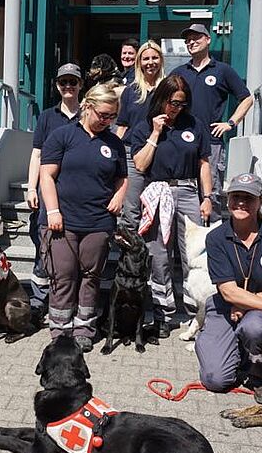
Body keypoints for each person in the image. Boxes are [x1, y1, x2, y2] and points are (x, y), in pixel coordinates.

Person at [194, 173, 262, 404]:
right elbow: (228, 293)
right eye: (236, 197)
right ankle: (223, 345)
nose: (241, 203)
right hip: (226, 307)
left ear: (260, 201)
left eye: (249, 198)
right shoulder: (216, 237)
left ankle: (261, 373)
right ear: (227, 200)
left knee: (254, 327)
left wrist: (254, 303)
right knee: (214, 380)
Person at [39, 83, 127, 353]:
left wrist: (119, 196)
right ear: (87, 106)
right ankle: (60, 330)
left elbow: (122, 177)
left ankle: (84, 328)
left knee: (91, 276)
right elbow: (47, 176)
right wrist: (53, 211)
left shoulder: (113, 142)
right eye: (102, 114)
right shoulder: (62, 135)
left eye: (112, 117)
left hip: (98, 222)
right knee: (63, 275)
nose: (107, 121)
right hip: (62, 221)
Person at [131, 76, 211, 338]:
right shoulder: (144, 126)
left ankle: (194, 316)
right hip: (158, 191)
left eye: (182, 103)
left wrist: (207, 197)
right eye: (172, 102)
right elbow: (141, 165)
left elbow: (203, 164)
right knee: (160, 256)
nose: (176, 108)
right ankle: (163, 315)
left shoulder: (194, 125)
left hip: (188, 191)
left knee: (193, 256)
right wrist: (155, 133)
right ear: (162, 99)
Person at [170, 23, 253, 222]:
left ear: (208, 39)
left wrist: (230, 123)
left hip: (211, 143)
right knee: (185, 193)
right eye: (188, 40)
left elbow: (247, 98)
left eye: (196, 38)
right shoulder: (180, 71)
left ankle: (212, 241)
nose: (191, 42)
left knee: (211, 195)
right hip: (182, 142)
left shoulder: (222, 71)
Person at [25, 63, 83, 317]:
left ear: (81, 85)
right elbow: (36, 153)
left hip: (76, 192)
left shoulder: (89, 114)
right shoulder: (47, 117)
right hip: (48, 189)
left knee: (73, 250)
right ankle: (39, 302)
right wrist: (31, 187)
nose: (68, 86)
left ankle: (70, 302)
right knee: (44, 246)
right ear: (57, 86)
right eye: (64, 82)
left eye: (73, 81)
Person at [116, 40, 164, 229]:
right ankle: (129, 257)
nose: (150, 62)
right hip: (131, 154)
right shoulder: (131, 91)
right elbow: (122, 125)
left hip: (160, 152)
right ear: (139, 62)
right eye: (146, 58)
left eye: (154, 57)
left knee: (156, 211)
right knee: (131, 210)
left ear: (161, 60)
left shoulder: (168, 90)